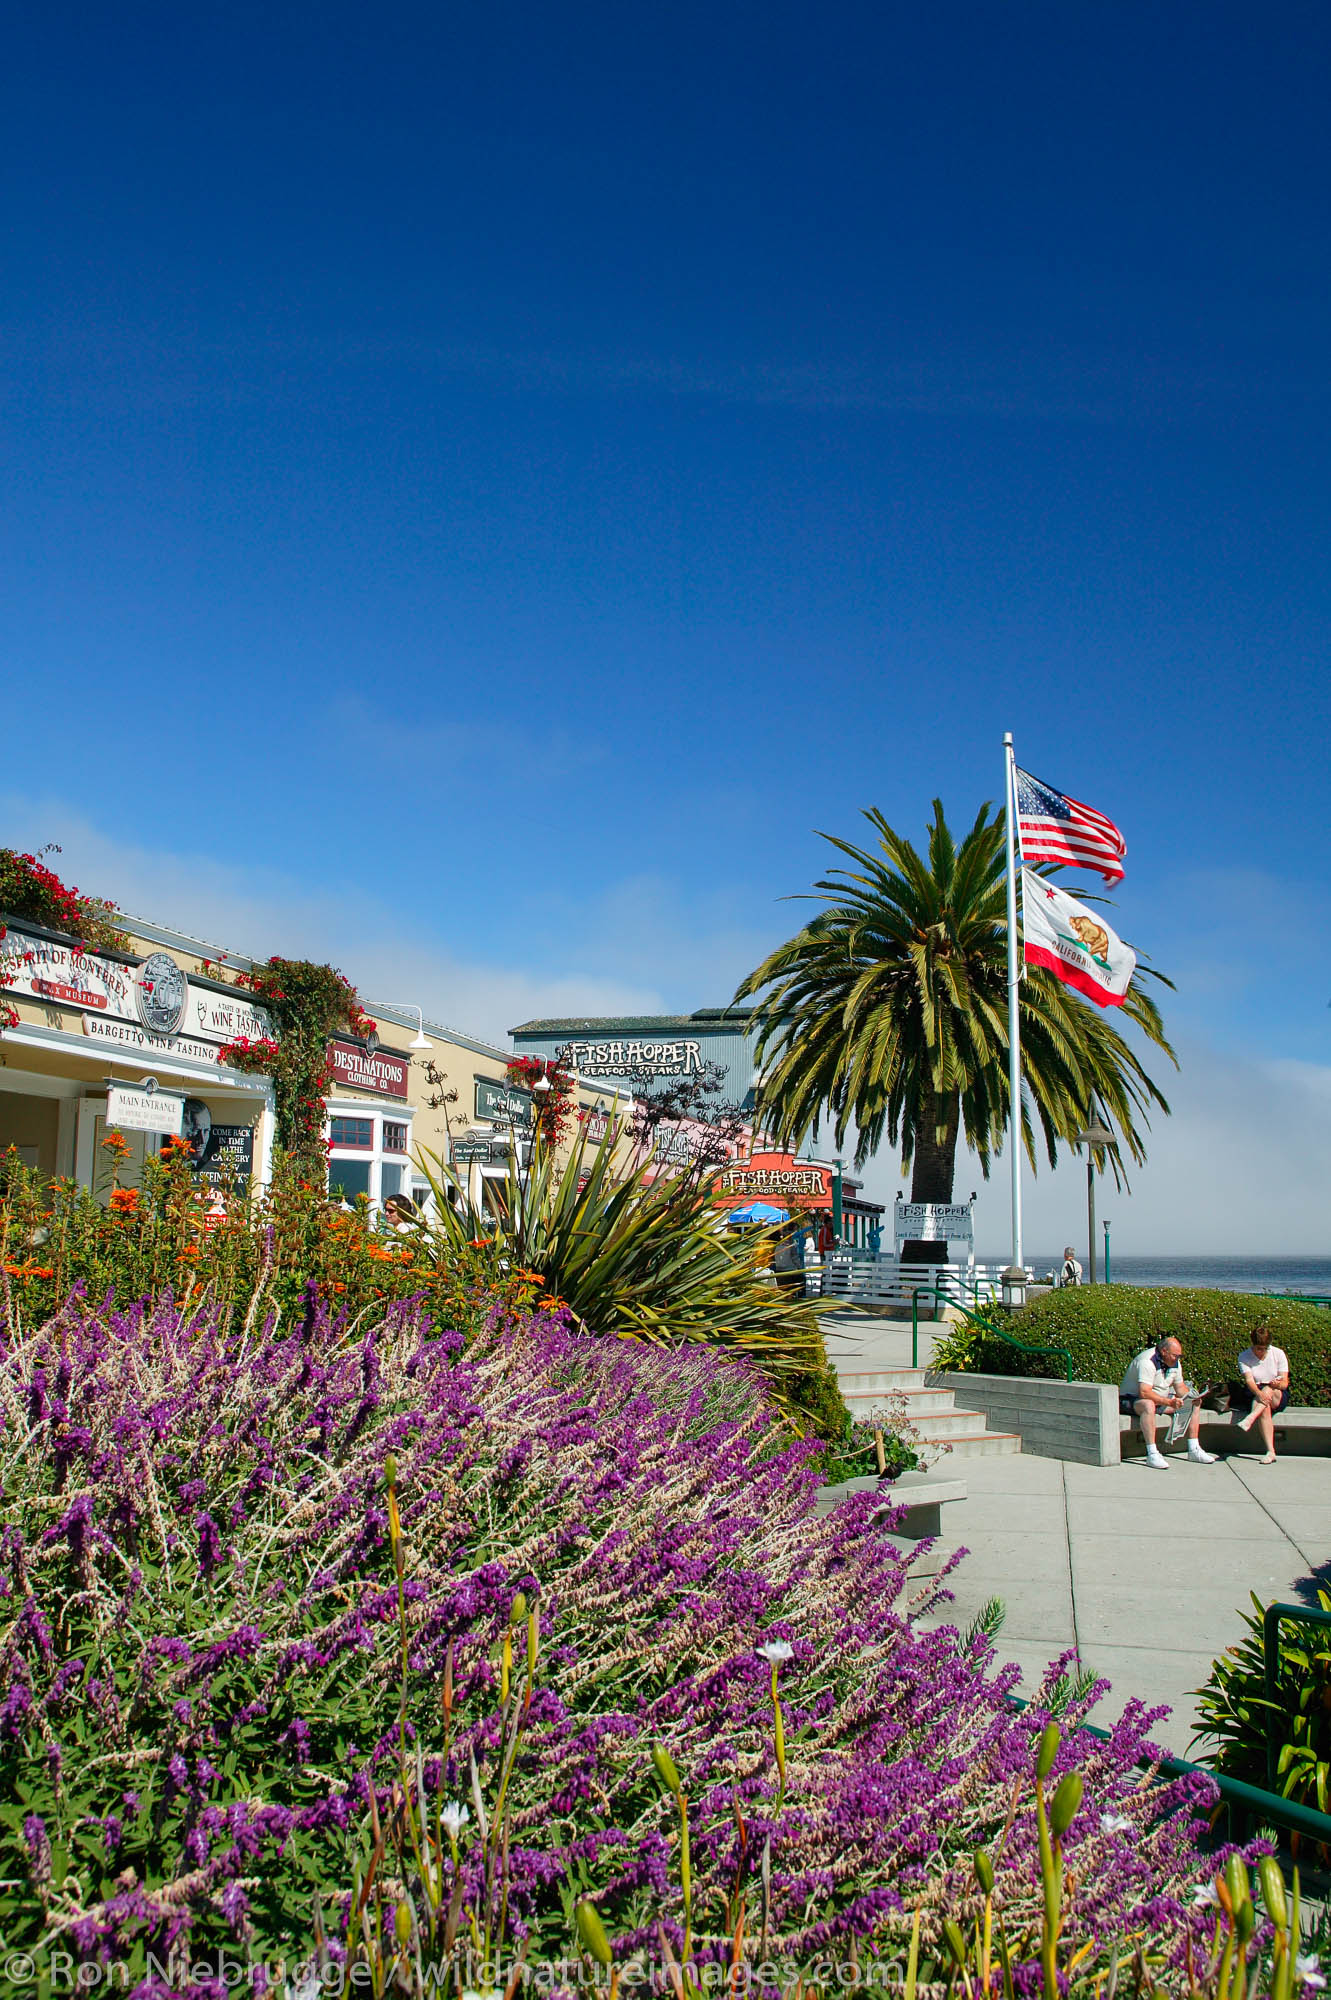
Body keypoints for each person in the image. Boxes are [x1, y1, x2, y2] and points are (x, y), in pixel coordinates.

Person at [1118, 1336, 1217, 1469]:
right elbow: (1144, 1392)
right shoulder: (1147, 1362)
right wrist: (1169, 1402)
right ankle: (1152, 1453)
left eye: (1179, 1356)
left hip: (1160, 1401)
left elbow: (1180, 1387)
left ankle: (1194, 1449)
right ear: (1164, 1351)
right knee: (1148, 1405)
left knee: (1193, 1404)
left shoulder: (1174, 1362)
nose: (1177, 1359)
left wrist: (1192, 1396)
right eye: (1175, 1356)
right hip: (1131, 1400)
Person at [1233, 1323, 1290, 1465]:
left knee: (1269, 1388)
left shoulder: (1278, 1353)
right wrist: (1259, 1392)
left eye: (1265, 1348)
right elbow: (1249, 1381)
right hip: (1256, 1393)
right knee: (1264, 1407)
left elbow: (1285, 1383)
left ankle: (1251, 1418)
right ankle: (1270, 1451)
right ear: (1253, 1345)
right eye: (1259, 1348)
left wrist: (1276, 1384)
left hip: (1277, 1393)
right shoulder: (1244, 1356)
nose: (1262, 1352)